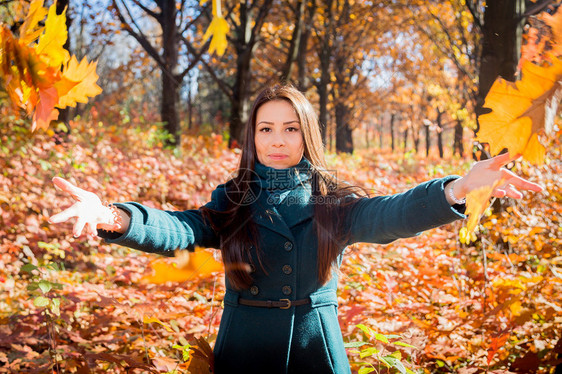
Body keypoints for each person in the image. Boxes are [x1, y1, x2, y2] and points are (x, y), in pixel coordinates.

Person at [49, 84, 543, 373]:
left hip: (315, 350)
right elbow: (181, 229)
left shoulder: (333, 203)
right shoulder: (233, 198)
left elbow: (390, 214)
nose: (278, 139)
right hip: (243, 346)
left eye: (290, 128)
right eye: (266, 128)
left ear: (307, 134)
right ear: (252, 137)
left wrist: (456, 189)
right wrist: (114, 217)